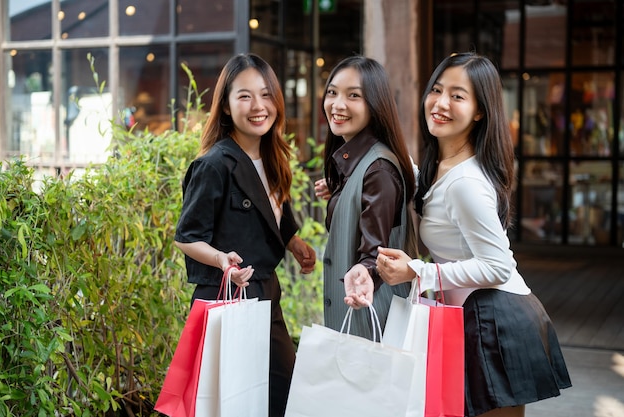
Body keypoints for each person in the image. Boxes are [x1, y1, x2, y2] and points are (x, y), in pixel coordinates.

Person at [344, 52, 572, 417]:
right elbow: (408, 178)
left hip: (497, 320)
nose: (440, 103)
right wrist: (348, 183)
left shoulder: (466, 182)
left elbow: (497, 266)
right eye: (436, 90)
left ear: (480, 111)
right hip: (468, 315)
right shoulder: (441, 168)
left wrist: (419, 271)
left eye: (458, 96)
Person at [174, 53, 316, 417]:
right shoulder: (213, 165)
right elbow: (186, 237)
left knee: (283, 392)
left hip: (266, 293)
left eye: (266, 95)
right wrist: (222, 260)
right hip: (228, 297)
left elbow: (273, 215)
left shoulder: (271, 157)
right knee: (228, 403)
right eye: (245, 96)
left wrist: (294, 243)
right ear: (224, 107)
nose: (258, 106)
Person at [315, 55, 416, 340]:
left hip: (370, 318)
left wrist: (366, 268)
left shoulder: (378, 168)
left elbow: (376, 252)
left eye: (353, 96)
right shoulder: (359, 163)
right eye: (332, 92)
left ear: (375, 105)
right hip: (359, 310)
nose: (337, 104)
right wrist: (341, 193)